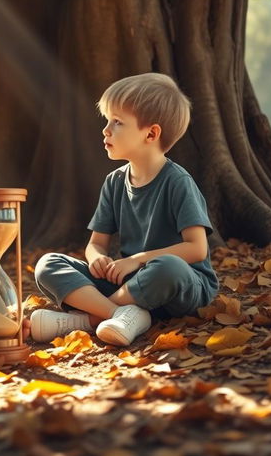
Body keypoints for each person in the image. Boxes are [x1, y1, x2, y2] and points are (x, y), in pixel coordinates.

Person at [31, 73, 218, 346]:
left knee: (168, 267)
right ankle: (120, 314)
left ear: (151, 133)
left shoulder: (178, 182)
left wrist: (138, 259)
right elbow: (96, 243)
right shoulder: (115, 181)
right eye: (108, 120)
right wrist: (97, 258)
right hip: (130, 285)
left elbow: (196, 249)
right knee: (48, 265)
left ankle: (86, 321)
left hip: (179, 284)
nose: (106, 129)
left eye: (117, 122)